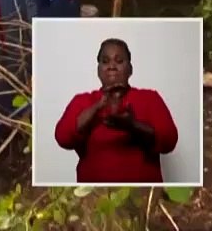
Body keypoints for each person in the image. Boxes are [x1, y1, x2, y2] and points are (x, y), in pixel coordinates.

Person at [53, 38, 179, 184]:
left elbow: (169, 141)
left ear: (130, 69)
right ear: (98, 70)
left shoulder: (150, 98)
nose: (112, 66)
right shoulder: (82, 101)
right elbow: (62, 138)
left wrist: (133, 126)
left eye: (119, 61)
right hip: (95, 195)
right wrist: (98, 106)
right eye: (105, 61)